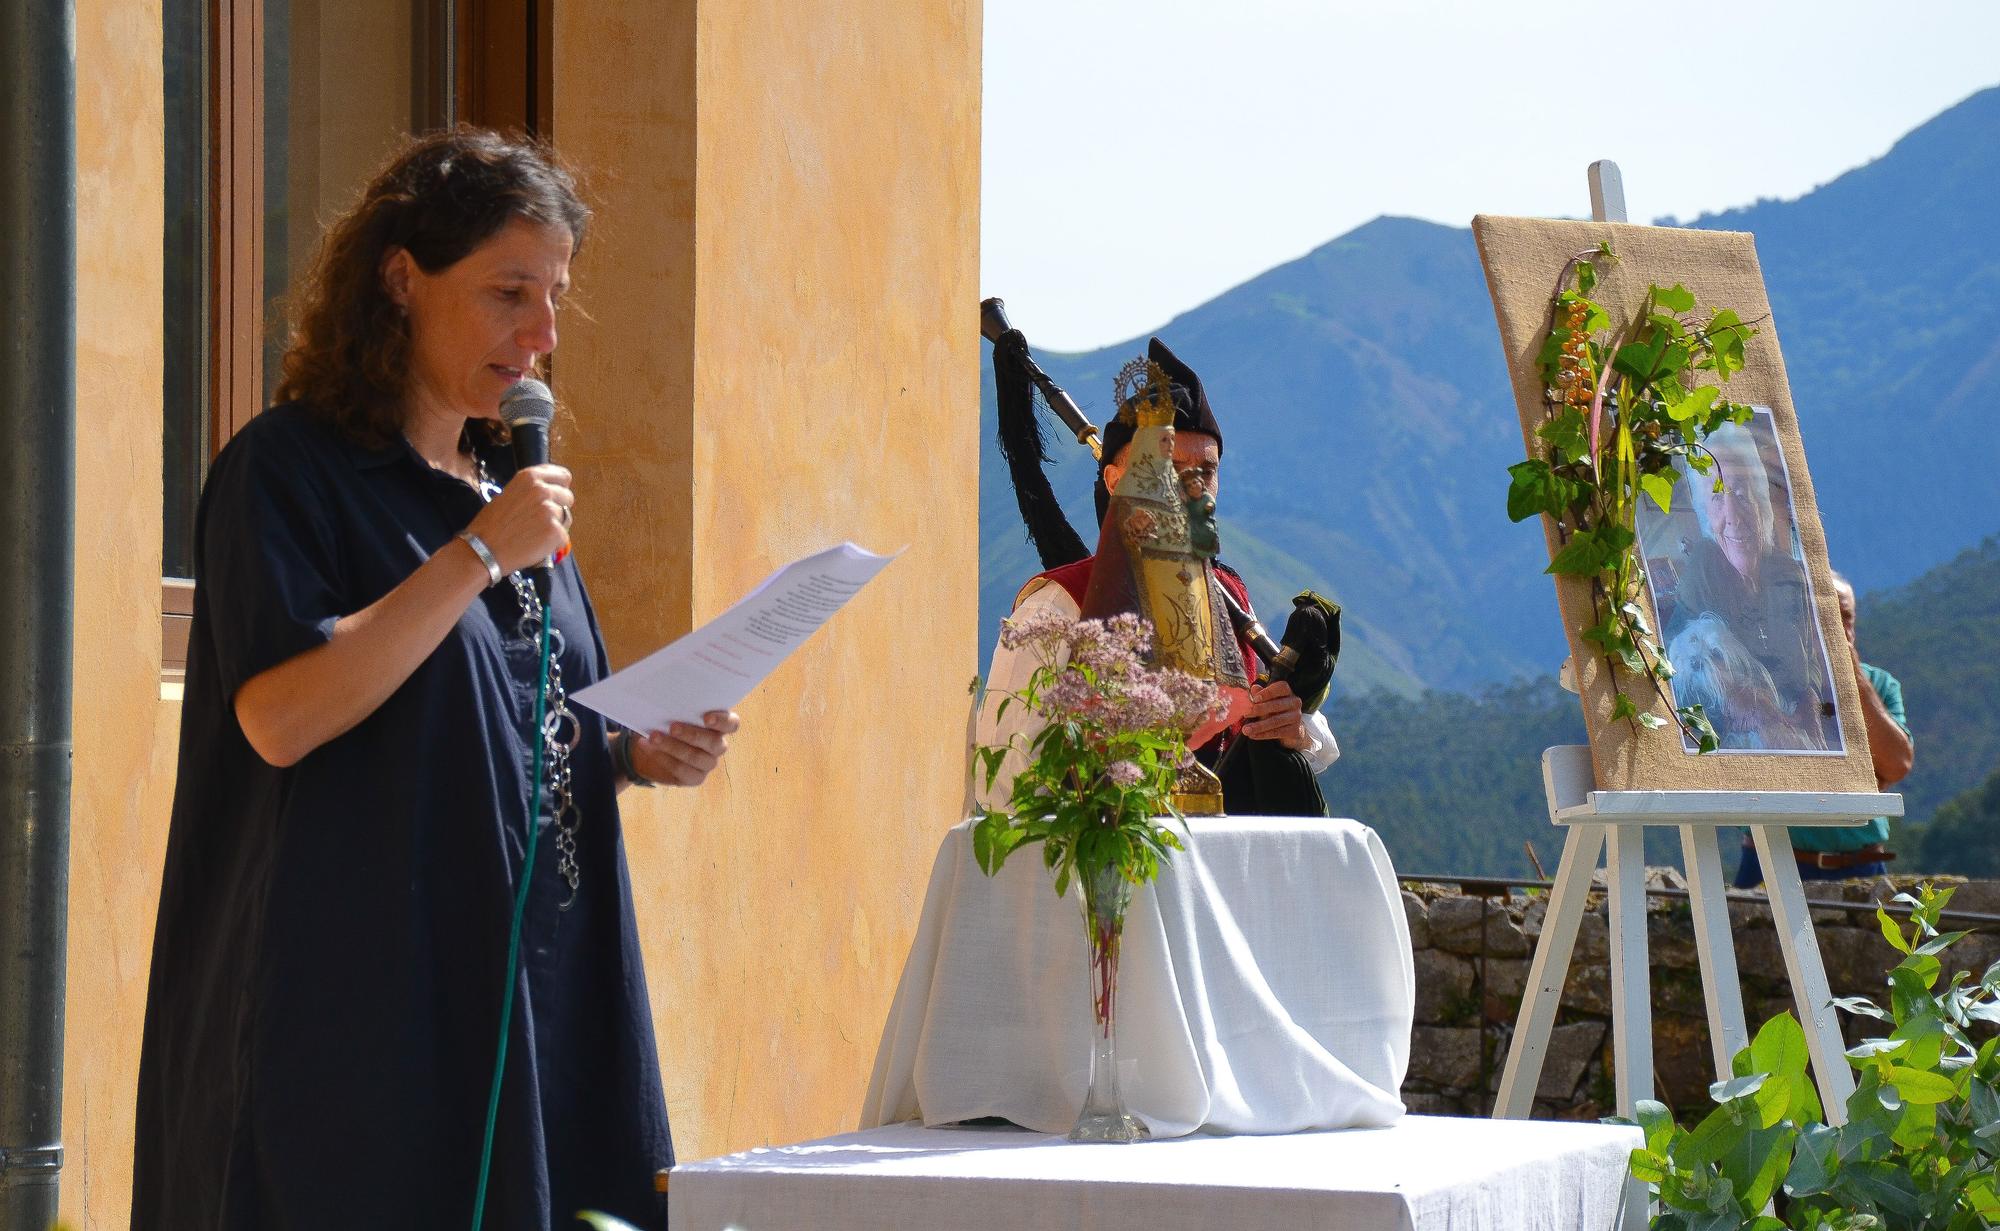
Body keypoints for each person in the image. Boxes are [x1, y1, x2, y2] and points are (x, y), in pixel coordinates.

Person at [133, 129, 734, 1229]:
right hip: (364, 1019)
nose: (542, 334)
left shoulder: (506, 490)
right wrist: (475, 556)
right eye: (509, 291)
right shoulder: (291, 471)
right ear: (401, 279)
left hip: (534, 995)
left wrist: (633, 751)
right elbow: (281, 715)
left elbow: (497, 720)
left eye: (554, 296)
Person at [976, 338, 1338, 811]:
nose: (1191, 486)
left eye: (1205, 470)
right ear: (1114, 480)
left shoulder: (1230, 595)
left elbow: (1308, 743)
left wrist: (1295, 728)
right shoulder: (1058, 604)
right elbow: (1001, 775)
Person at [1734, 571, 1915, 886]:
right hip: (1774, 862)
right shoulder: (1765, 680)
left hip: (1864, 865)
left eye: (1846, 618)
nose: (1838, 630)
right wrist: (1860, 773)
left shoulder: (1880, 684)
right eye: (1826, 617)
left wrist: (1852, 676)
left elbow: (1897, 764)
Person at [1662, 418, 1830, 744]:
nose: (1734, 516)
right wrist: (1729, 700)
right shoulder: (1702, 571)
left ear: (1762, 499)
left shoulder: (1789, 573)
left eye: (1741, 492)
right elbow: (1676, 672)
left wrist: (1811, 697)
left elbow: (1809, 657)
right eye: (1717, 497)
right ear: (1704, 513)